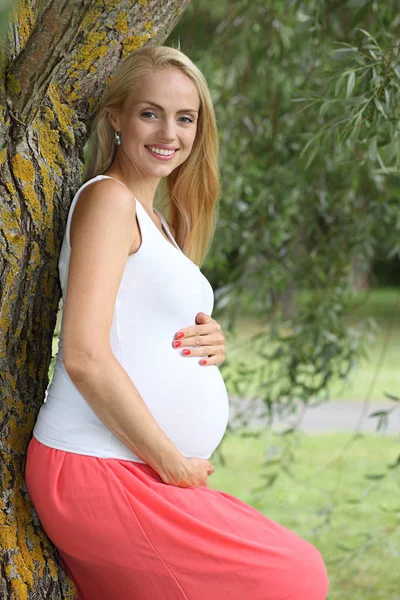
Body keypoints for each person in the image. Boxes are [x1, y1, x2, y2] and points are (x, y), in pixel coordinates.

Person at [25, 45, 329, 599]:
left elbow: (140, 319)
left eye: (185, 118)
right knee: (293, 576)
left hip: (131, 464)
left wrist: (211, 339)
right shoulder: (108, 201)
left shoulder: (156, 221)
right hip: (98, 464)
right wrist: (171, 462)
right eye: (150, 113)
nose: (170, 132)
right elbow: (84, 354)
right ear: (115, 117)